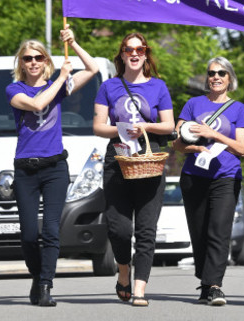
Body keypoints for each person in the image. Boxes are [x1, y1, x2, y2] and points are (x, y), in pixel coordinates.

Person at [6, 27, 98, 306]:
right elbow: (36, 104)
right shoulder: (14, 89)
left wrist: (73, 42)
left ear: (46, 61)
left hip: (55, 167)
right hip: (25, 169)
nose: (33, 62)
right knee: (28, 234)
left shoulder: (58, 85)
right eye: (27, 58)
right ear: (20, 64)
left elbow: (92, 68)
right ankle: (37, 275)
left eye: (38, 57)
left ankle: (46, 285)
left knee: (51, 229)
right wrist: (60, 78)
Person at [93, 33, 175, 307]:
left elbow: (169, 126)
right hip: (117, 160)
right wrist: (121, 129)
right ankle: (124, 271)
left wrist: (145, 127)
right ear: (122, 54)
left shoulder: (158, 87)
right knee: (119, 228)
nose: (135, 53)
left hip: (150, 161)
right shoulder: (109, 86)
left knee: (146, 229)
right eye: (129, 49)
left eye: (140, 49)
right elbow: (98, 126)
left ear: (146, 54)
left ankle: (139, 288)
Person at [172, 57, 244, 306]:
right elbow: (177, 142)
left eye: (221, 73)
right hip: (194, 176)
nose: (215, 77)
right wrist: (192, 147)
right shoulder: (193, 103)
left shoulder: (238, 108)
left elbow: (242, 148)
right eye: (211, 73)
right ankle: (205, 281)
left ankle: (215, 285)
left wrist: (213, 134)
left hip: (225, 176)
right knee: (199, 231)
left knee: (219, 230)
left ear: (230, 79)